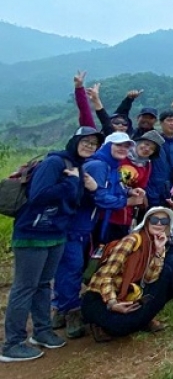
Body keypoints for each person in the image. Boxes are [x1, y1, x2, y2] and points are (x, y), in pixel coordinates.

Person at [1, 127, 102, 363]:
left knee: (44, 284)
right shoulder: (55, 163)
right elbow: (39, 195)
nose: (89, 146)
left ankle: (42, 331)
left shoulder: (78, 166)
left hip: (57, 232)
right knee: (25, 286)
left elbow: (73, 201)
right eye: (85, 141)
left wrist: (88, 188)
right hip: (32, 233)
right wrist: (70, 184)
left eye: (93, 143)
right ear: (74, 141)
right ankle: (12, 344)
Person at [55, 132, 142, 340]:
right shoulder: (98, 166)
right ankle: (70, 312)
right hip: (75, 226)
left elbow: (111, 191)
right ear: (107, 146)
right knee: (73, 268)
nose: (123, 149)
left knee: (77, 267)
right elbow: (100, 199)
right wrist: (126, 202)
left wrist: (129, 193)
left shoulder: (112, 167)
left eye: (126, 146)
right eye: (118, 145)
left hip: (87, 227)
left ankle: (60, 310)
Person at [80, 206, 173, 342]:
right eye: (154, 220)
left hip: (129, 294)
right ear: (146, 222)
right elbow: (105, 275)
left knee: (166, 272)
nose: (159, 224)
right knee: (121, 327)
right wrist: (112, 303)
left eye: (164, 221)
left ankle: (142, 319)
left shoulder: (156, 244)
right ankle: (99, 323)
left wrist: (159, 251)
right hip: (102, 296)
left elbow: (150, 278)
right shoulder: (132, 241)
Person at [102, 130, 163, 244]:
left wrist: (139, 193)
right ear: (137, 143)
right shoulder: (120, 156)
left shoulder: (147, 165)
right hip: (106, 209)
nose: (147, 149)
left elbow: (141, 186)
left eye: (152, 148)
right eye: (146, 144)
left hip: (126, 213)